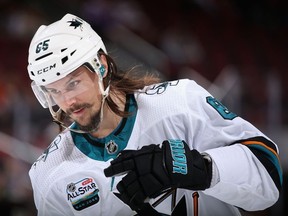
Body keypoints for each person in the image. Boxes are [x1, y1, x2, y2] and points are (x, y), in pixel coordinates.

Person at [27, 14, 282, 216]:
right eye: (54, 91)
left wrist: (202, 168)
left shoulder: (178, 101)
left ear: (101, 66)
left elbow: (268, 178)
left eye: (73, 83)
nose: (67, 101)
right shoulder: (49, 174)